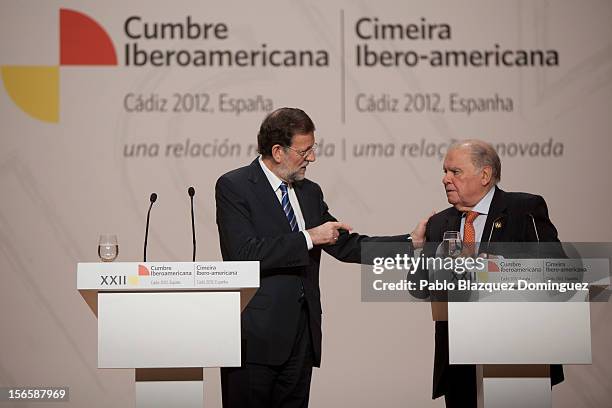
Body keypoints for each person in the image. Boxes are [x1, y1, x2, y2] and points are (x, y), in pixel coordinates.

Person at [215, 107, 427, 408]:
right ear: (278, 151)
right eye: (305, 151)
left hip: (302, 338)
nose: (311, 158)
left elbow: (346, 245)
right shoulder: (234, 186)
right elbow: (243, 253)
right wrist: (308, 237)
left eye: (312, 149)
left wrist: (410, 243)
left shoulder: (309, 192)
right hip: (255, 339)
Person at [420, 139, 564, 407]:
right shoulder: (440, 222)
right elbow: (420, 289)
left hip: (517, 353)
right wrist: (420, 253)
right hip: (458, 361)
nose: (445, 179)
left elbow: (560, 272)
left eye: (455, 172)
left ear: (484, 175)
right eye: (444, 171)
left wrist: (499, 268)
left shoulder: (524, 210)